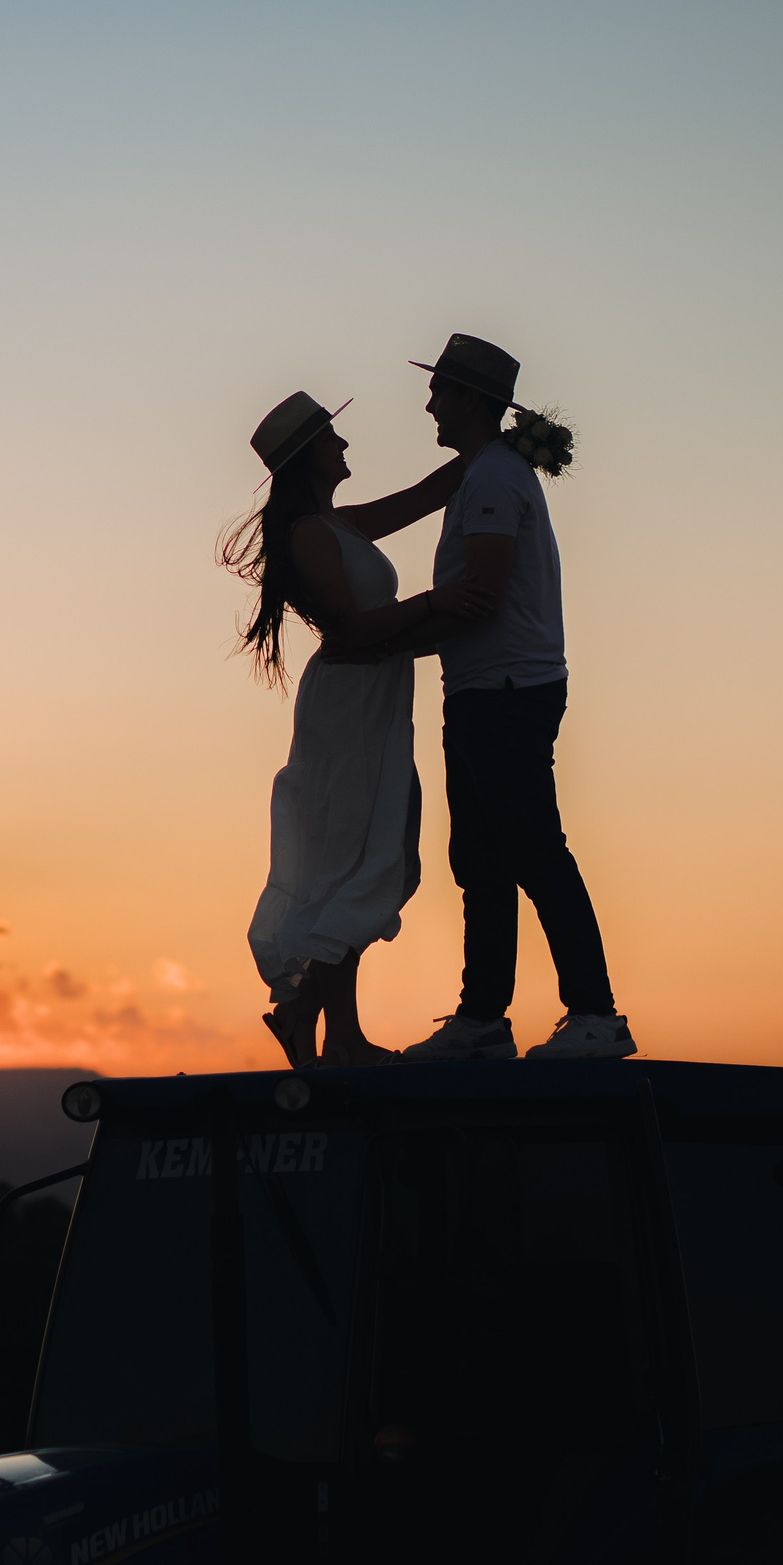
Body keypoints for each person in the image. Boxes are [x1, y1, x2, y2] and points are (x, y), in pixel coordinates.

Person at [389, 334, 635, 1061]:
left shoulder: (493, 480)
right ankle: (483, 1020)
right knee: (482, 859)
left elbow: (483, 598)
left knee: (531, 849)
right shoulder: (480, 475)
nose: (428, 401)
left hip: (505, 692)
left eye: (438, 390)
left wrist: (385, 640)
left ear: (469, 400)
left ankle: (595, 1014)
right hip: (481, 690)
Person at [225, 391, 480, 1067]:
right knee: (350, 856)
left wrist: (502, 443)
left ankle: (321, 1019)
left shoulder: (335, 525)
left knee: (372, 851)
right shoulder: (313, 534)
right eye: (332, 440)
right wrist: (435, 602)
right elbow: (350, 626)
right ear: (310, 455)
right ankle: (333, 1028)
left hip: (375, 699)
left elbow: (428, 495)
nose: (344, 447)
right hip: (349, 707)